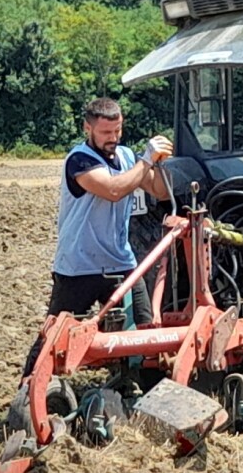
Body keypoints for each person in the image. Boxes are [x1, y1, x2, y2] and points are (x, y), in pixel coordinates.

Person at [46, 97, 173, 326]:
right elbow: (113, 190)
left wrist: (159, 163)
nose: (113, 138)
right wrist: (146, 160)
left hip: (121, 262)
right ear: (87, 128)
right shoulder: (79, 160)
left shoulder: (127, 156)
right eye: (106, 132)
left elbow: (160, 191)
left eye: (117, 130)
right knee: (57, 337)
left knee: (143, 330)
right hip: (79, 266)